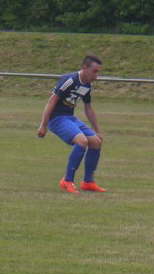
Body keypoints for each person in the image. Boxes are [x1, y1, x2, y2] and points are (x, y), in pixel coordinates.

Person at [37, 55, 107, 194]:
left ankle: (88, 182)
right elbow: (51, 101)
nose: (97, 76)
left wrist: (98, 130)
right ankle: (67, 180)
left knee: (95, 142)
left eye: (98, 72)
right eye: (95, 71)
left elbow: (88, 108)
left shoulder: (87, 85)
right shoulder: (70, 80)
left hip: (70, 118)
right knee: (82, 141)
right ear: (85, 68)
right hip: (57, 119)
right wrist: (43, 125)